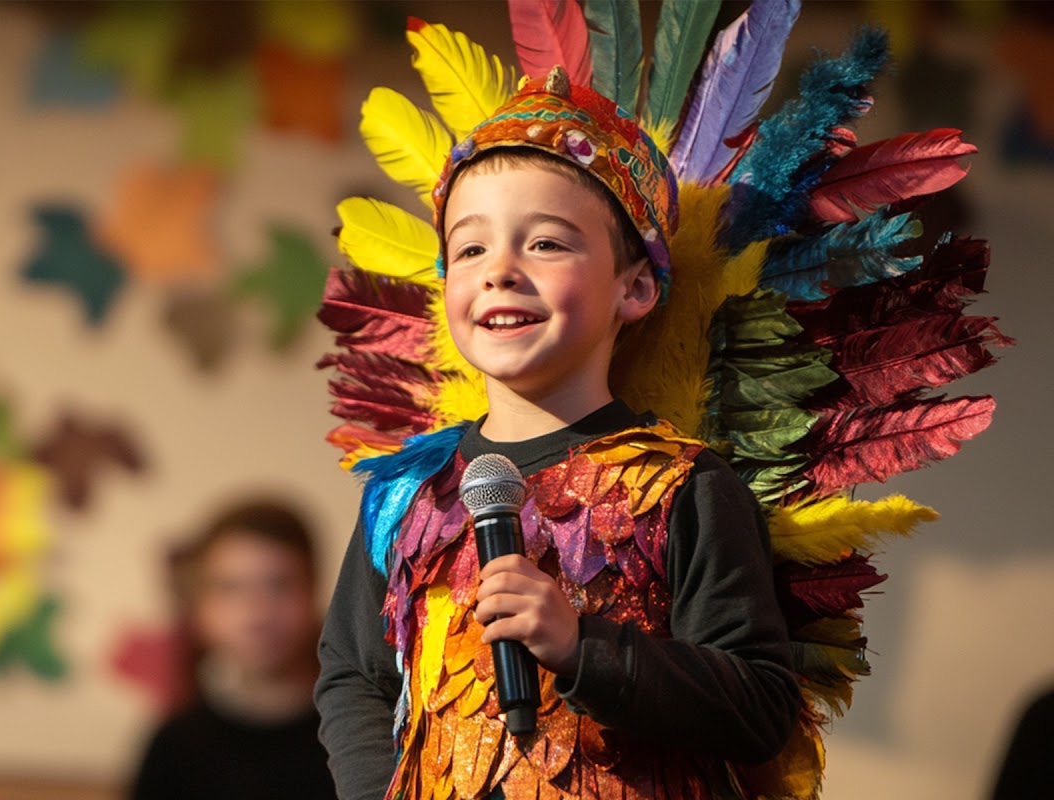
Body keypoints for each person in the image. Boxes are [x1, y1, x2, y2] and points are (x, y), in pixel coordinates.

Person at [313, 63, 801, 800]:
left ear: (634, 288)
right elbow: (354, 675)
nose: (500, 271)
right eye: (470, 249)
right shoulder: (407, 492)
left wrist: (583, 648)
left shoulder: (688, 488)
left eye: (544, 244)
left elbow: (761, 707)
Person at [131, 501, 336, 800]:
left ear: (313, 591)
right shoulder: (174, 747)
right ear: (202, 609)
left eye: (279, 585)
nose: (258, 613)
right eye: (232, 588)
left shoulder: (358, 738)